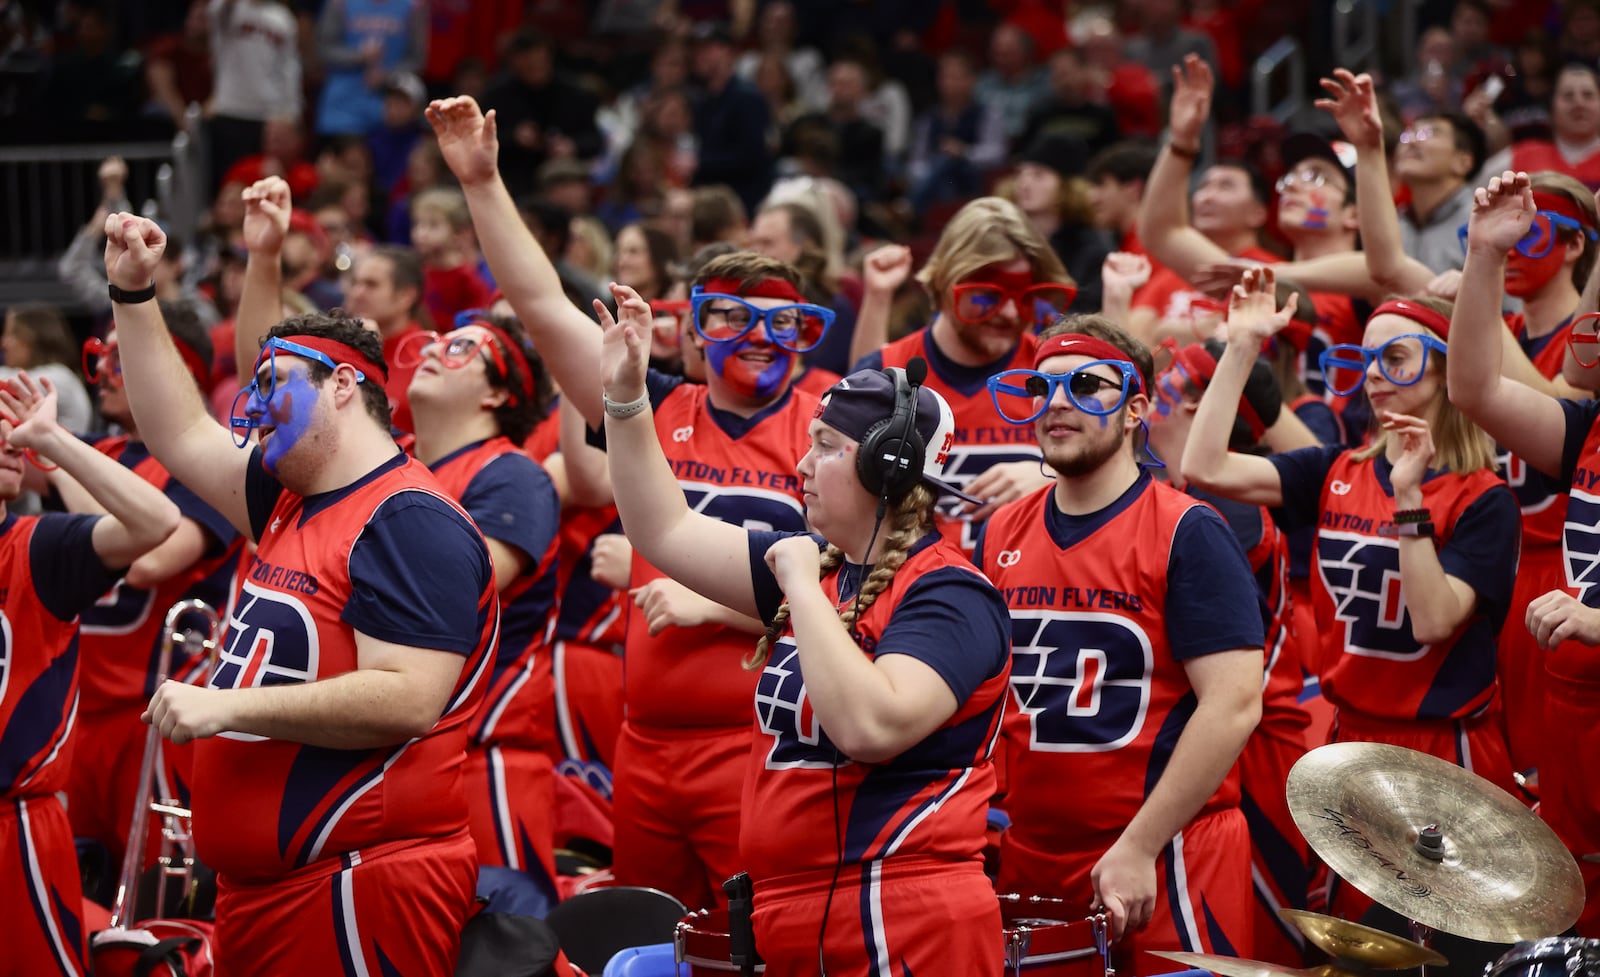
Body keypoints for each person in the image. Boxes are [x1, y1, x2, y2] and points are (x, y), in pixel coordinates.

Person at [429, 94, 822, 910]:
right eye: (733, 317)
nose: (758, 337)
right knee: (643, 942)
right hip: (644, 748)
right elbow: (541, 307)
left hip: (768, 746)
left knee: (760, 946)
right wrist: (481, 180)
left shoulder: (829, 425)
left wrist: (723, 609)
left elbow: (870, 595)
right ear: (695, 327)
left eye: (780, 321)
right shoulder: (653, 406)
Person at [104, 212, 497, 975]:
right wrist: (134, 293)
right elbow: (180, 431)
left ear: (344, 384)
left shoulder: (405, 517)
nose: (250, 413)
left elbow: (408, 696)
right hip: (272, 889)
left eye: (273, 385)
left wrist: (228, 706)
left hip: (357, 881)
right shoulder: (292, 497)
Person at [598, 281, 1011, 975]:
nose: (800, 464)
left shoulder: (950, 594)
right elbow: (661, 528)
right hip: (797, 909)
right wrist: (626, 396)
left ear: (887, 465)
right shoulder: (822, 572)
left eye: (824, 445)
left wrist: (795, 581)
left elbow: (871, 726)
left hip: (900, 914)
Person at [232, 176, 564, 902]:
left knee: (505, 930)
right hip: (396, 748)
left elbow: (449, 595)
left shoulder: (509, 477)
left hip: (480, 745)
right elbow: (269, 368)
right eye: (441, 336)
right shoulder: (390, 461)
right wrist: (263, 265)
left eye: (467, 348)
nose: (438, 347)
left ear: (499, 393)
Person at [1183, 267, 1520, 920]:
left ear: (1448, 370)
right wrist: (1244, 347)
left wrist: (1409, 498)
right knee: (1359, 946)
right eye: (1364, 356)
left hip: (1446, 747)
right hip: (1351, 743)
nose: (1372, 371)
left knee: (1445, 947)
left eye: (1393, 356)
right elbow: (1205, 467)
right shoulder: (1334, 467)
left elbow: (1432, 619)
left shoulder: (1485, 497)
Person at [976, 317, 1264, 962]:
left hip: (1169, 848)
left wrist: (1140, 844)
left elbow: (1235, 704)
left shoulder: (1189, 530)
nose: (1058, 404)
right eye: (1044, 388)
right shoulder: (1001, 532)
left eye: (1085, 385)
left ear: (1137, 408)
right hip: (1034, 847)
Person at [1446, 169, 1600, 935]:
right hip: (1573, 707)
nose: (1591, 336)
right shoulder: (1586, 430)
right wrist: (1485, 258)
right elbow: (1473, 388)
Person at [2, 373, 182, 977]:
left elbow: (155, 523)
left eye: (13, 427)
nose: (10, 440)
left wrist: (52, 443)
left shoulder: (35, 547)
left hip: (15, 831)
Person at [1144, 337, 1315, 966]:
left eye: (1162, 388)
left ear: (1195, 404)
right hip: (1215, 733)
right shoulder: (1183, 494)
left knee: (1259, 945)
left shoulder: (1225, 509)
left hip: (1256, 742)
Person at [65, 303, 243, 879]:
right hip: (75, 712)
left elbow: (152, 560)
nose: (104, 375)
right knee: (75, 890)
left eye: (120, 358)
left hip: (156, 717)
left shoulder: (208, 463)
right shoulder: (97, 453)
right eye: (100, 358)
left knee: (157, 898)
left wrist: (58, 455)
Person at [850, 196, 1075, 556]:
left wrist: (1056, 478)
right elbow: (833, 500)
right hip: (912, 596)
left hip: (1026, 591)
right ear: (943, 283)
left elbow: (1123, 478)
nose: (1009, 312)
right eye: (987, 296)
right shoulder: (886, 368)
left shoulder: (1057, 370)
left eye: (1025, 296)